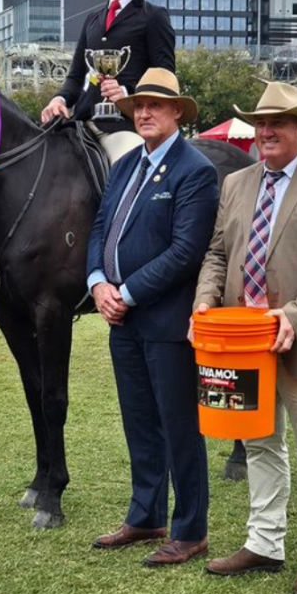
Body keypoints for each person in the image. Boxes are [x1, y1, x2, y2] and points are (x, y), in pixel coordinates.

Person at [193, 81, 297, 594]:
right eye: (260, 123)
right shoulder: (237, 184)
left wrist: (295, 314)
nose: (265, 130)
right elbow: (219, 253)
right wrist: (204, 299)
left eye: (277, 123)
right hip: (244, 345)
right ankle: (264, 543)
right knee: (261, 445)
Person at [86, 67, 219, 567]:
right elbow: (99, 228)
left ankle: (191, 529)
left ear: (177, 113)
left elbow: (187, 250)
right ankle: (146, 516)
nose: (143, 113)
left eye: (155, 106)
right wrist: (97, 282)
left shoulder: (195, 169)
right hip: (122, 319)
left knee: (178, 425)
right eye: (138, 106)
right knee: (140, 422)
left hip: (166, 322)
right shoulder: (124, 166)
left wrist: (128, 291)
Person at [41, 0, 175, 134]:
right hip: (82, 121)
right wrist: (60, 99)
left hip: (125, 127)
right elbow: (76, 77)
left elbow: (164, 79)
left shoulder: (153, 17)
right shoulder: (92, 20)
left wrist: (126, 94)